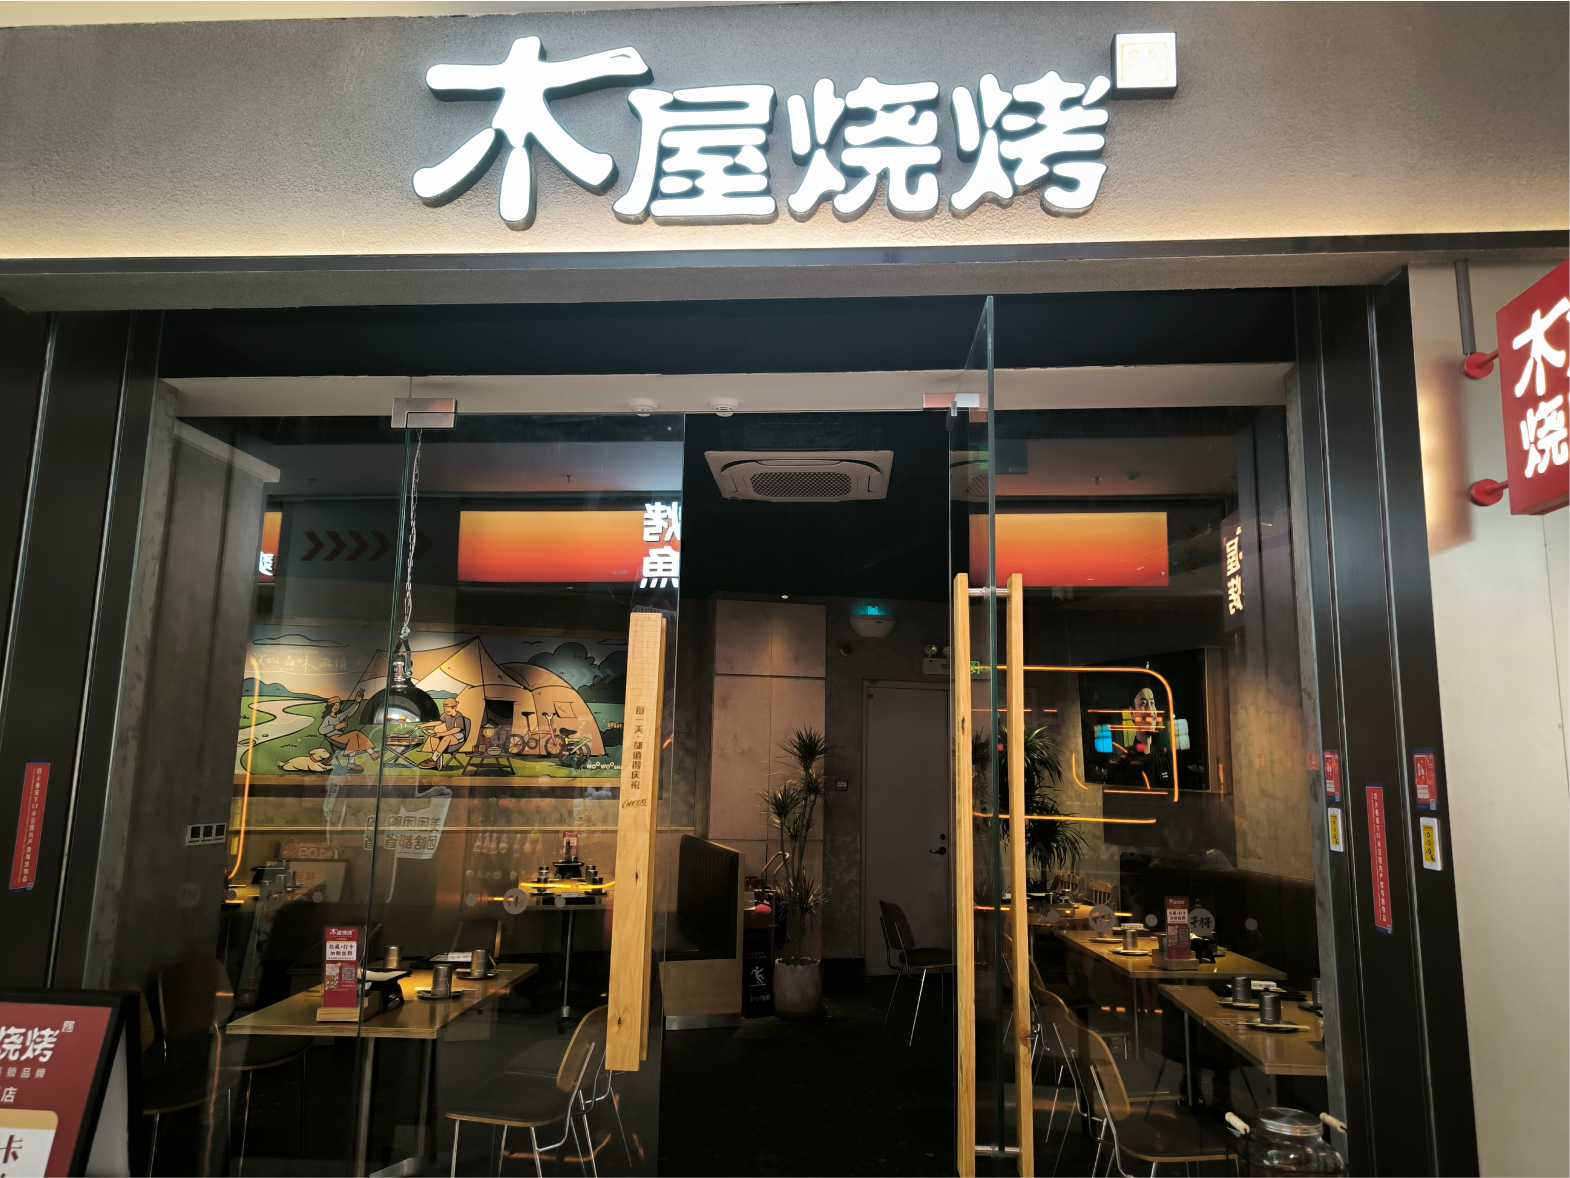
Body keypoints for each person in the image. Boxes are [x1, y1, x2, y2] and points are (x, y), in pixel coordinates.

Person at [319, 691, 377, 771]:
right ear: (330, 706)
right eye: (334, 705)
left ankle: (371, 753)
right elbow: (321, 730)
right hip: (334, 738)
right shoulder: (328, 718)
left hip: (340, 737)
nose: (336, 707)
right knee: (354, 735)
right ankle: (355, 761)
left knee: (356, 734)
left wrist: (357, 702)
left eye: (338, 705)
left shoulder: (338, 717)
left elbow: (348, 712)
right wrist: (336, 726)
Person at [420, 698, 471, 770]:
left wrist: (441, 734)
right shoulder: (446, 715)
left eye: (448, 710)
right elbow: (439, 722)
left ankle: (433, 759)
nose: (446, 712)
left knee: (447, 738)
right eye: (445, 709)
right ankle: (437, 757)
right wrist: (424, 725)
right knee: (433, 736)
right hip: (450, 734)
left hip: (459, 735)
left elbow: (457, 729)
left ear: (454, 708)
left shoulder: (459, 716)